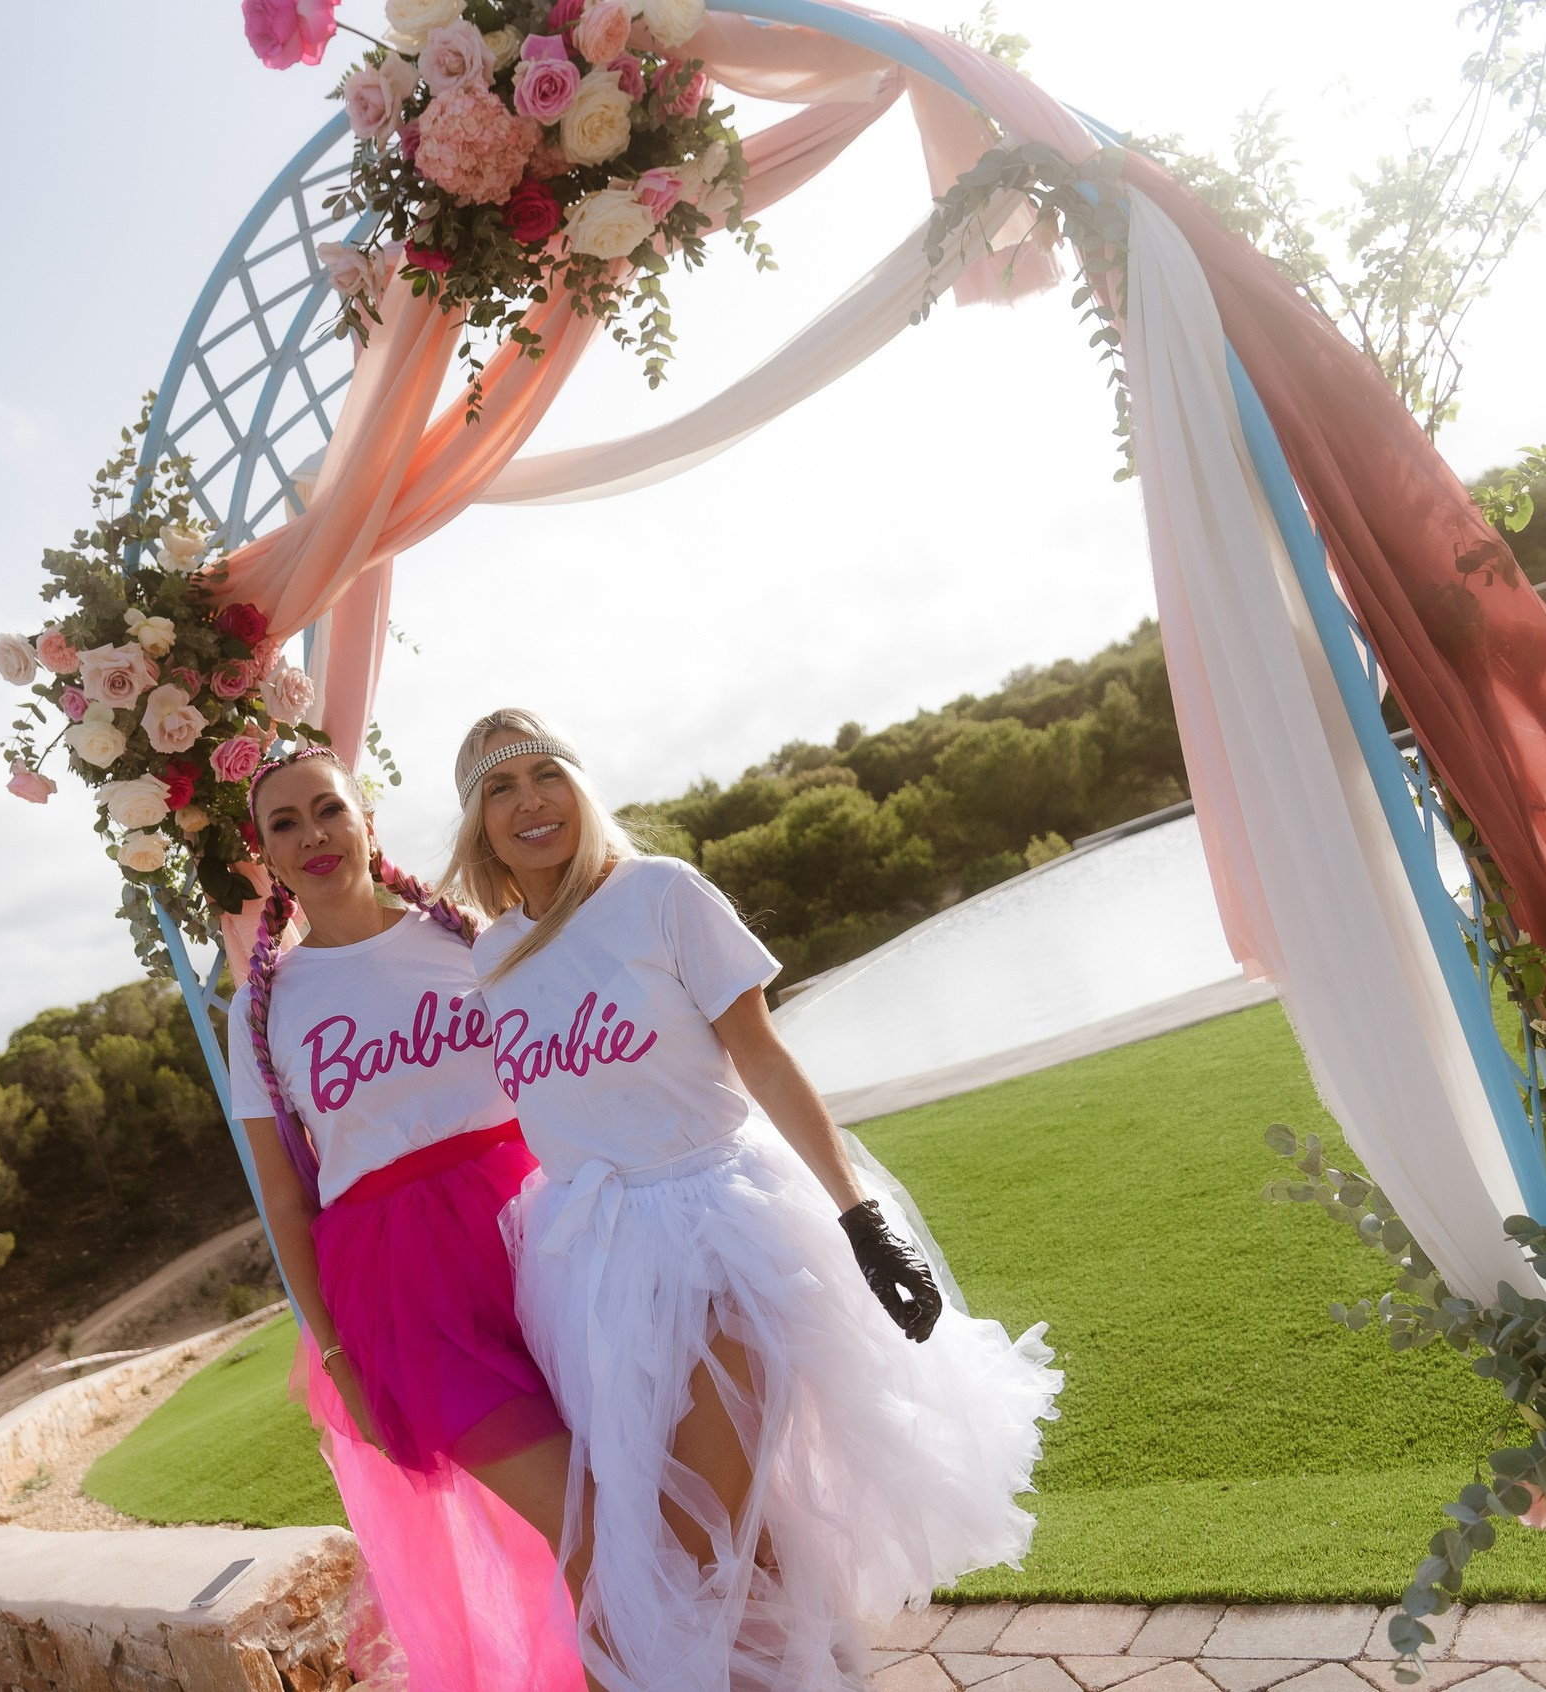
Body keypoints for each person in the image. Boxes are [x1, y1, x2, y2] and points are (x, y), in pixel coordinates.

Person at [446, 709, 1064, 1692]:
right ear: (477, 824)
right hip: (591, 1270)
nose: (528, 802)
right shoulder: (491, 958)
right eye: (498, 789)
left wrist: (859, 1217)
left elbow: (764, 1061)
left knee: (688, 1551)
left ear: (578, 784)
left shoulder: (661, 896)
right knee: (753, 1542)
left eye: (543, 774)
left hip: (721, 1231)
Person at [227, 745, 586, 1692]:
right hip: (406, 1296)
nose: (312, 837)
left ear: (366, 818)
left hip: (546, 1238)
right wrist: (338, 1355)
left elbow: (569, 1068)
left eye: (327, 811)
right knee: (581, 1522)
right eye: (285, 825)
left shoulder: (470, 936)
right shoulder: (263, 1009)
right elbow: (283, 1197)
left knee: (643, 1496)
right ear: (262, 854)